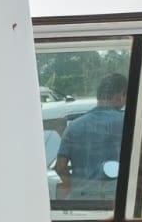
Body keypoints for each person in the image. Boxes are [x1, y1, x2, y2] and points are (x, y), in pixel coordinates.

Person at [54, 72, 128, 201]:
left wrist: (76, 186)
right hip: (116, 200)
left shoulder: (74, 126)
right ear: (120, 95)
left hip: (81, 200)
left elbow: (60, 167)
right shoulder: (128, 125)